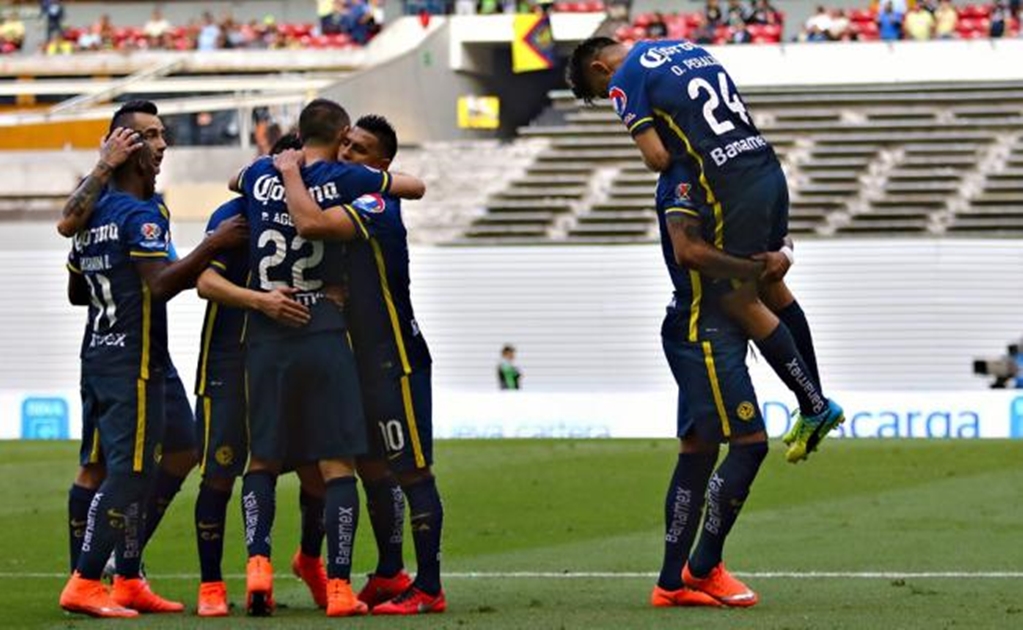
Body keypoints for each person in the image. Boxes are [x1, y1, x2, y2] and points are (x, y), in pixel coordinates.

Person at [566, 38, 844, 463]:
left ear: (601, 70)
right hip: (765, 165)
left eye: (603, 95)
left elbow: (657, 157)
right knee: (774, 286)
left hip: (727, 181)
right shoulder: (684, 46)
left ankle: (814, 405)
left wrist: (672, 168)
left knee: (738, 296)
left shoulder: (623, 79)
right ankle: (815, 400)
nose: (610, 99)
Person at [233, 98, 422, 617]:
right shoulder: (346, 179)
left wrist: (281, 167)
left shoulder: (257, 174)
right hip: (322, 327)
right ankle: (339, 585)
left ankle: (258, 565)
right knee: (340, 465)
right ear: (340, 133)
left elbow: (234, 181)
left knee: (263, 460)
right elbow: (414, 186)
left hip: (266, 329)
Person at [58, 100, 247, 618]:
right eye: (152, 136)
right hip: (131, 362)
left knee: (181, 450)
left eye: (162, 134)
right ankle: (87, 579)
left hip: (110, 353)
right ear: (128, 147)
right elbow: (161, 285)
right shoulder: (140, 216)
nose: (163, 144)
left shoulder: (95, 214)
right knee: (131, 472)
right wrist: (214, 245)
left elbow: (78, 292)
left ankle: (126, 574)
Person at [274, 115, 445, 615]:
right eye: (346, 143)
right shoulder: (345, 195)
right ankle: (391, 572)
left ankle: (430, 586)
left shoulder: (377, 202)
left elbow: (309, 223)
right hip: (359, 363)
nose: (347, 153)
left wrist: (288, 173)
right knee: (374, 468)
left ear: (381, 165)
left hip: (396, 360)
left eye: (361, 149)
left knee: (413, 472)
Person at [189, 133, 336, 617]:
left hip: (288, 362)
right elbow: (205, 282)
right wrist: (261, 301)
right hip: (228, 362)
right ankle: (211, 585)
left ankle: (309, 561)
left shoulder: (313, 213)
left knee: (313, 469)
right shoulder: (234, 215)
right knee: (221, 473)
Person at [647, 160, 770, 609]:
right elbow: (688, 250)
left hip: (706, 325)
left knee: (698, 451)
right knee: (750, 443)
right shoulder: (681, 177)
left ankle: (670, 583)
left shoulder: (709, 174)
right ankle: (702, 568)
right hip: (703, 329)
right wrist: (749, 269)